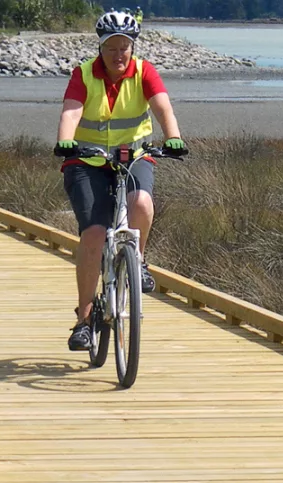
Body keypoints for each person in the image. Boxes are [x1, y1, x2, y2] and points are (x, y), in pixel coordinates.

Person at [54, 10, 187, 352]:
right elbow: (71, 110)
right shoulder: (84, 74)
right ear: (101, 47)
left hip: (134, 156)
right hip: (87, 160)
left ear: (132, 47)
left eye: (123, 47)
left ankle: (137, 262)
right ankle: (84, 320)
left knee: (141, 202)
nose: (117, 54)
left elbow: (162, 107)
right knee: (95, 233)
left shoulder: (144, 71)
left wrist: (172, 136)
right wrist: (65, 139)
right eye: (110, 47)